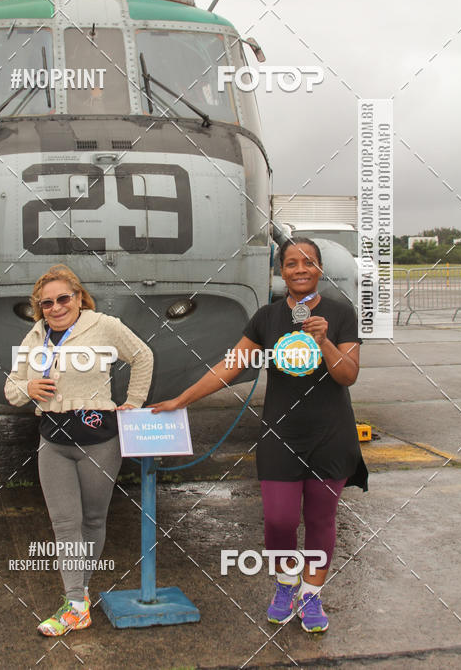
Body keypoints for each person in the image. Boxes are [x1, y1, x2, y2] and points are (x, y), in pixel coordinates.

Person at [151, 237, 367, 633]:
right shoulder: (266, 318)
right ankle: (287, 582)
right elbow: (230, 366)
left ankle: (312, 595)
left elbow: (347, 375)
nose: (299, 270)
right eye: (290, 263)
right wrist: (181, 399)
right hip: (281, 434)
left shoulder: (340, 314)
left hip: (330, 434)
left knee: (321, 519)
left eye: (308, 263)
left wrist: (324, 342)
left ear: (319, 270)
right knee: (280, 519)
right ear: (280, 272)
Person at [5, 264, 153, 635]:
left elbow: (143, 356)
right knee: (65, 524)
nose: (55, 308)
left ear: (78, 298)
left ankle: (80, 595)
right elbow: (11, 388)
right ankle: (74, 603)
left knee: (92, 521)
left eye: (63, 299)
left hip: (99, 440)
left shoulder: (103, 325)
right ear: (40, 309)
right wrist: (28, 388)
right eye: (47, 303)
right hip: (52, 442)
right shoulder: (35, 336)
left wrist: (133, 402)